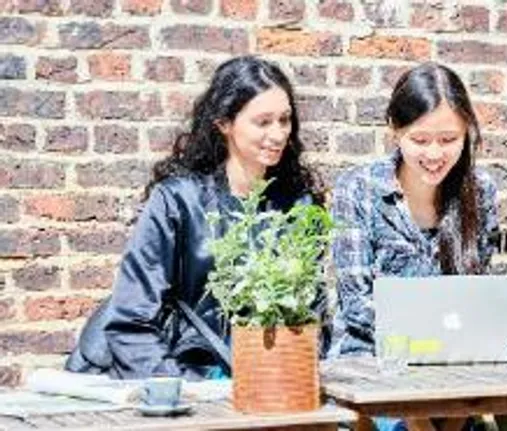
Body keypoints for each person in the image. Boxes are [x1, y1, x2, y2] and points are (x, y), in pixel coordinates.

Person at [65, 56, 326, 379]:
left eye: (285, 120)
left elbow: (309, 313)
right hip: (180, 374)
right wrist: (175, 390)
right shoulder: (177, 200)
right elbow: (130, 319)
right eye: (263, 122)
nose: (278, 134)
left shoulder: (297, 206)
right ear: (224, 123)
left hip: (265, 384)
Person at [327, 62, 500, 431]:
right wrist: (426, 350)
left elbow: (477, 299)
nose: (435, 154)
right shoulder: (358, 189)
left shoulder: (479, 191)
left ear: (467, 132)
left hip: (454, 374)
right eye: (420, 140)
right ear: (395, 130)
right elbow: (358, 305)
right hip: (371, 366)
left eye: (449, 140)